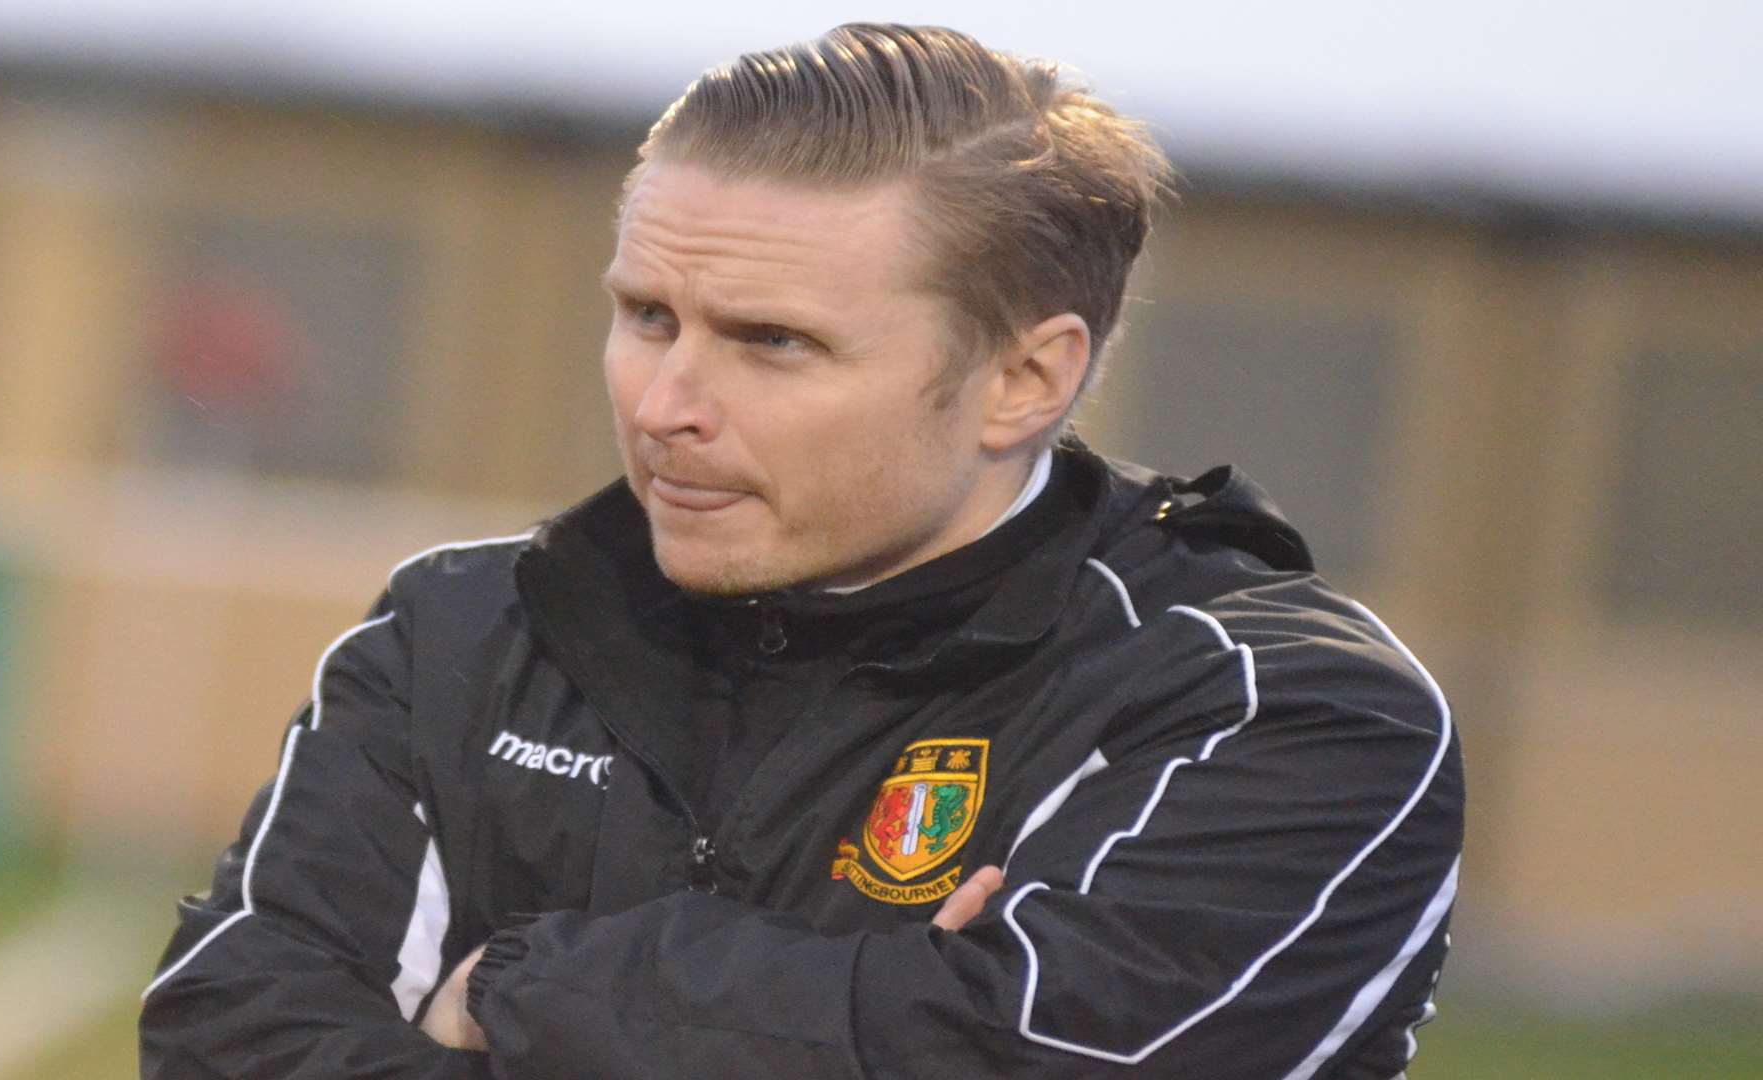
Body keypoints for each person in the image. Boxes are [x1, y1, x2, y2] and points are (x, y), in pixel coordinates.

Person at [139, 23, 1463, 1079]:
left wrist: (529, 992)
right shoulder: (466, 632)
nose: (664, 403)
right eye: (648, 315)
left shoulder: (1281, 711)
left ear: (1022, 377)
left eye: (771, 342)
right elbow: (227, 1041)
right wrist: (858, 1009)